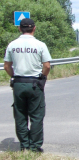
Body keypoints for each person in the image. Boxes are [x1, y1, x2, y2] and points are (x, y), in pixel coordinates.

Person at [3, 18, 52, 152]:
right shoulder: (40, 45)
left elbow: (7, 66)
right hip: (35, 83)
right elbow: (47, 65)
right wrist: (43, 77)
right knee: (36, 116)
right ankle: (35, 147)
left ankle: (24, 145)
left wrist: (13, 76)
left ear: (19, 28)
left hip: (18, 83)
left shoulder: (12, 45)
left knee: (20, 115)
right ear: (34, 28)